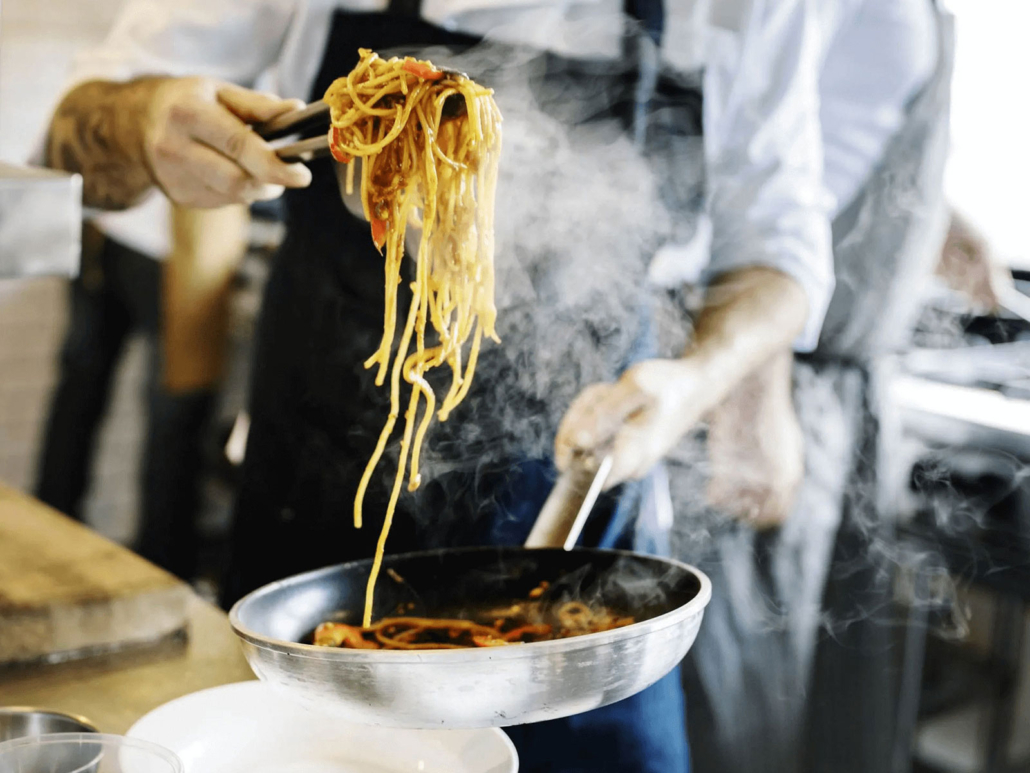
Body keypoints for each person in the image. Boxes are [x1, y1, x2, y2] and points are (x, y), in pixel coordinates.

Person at [39, 1, 949, 771]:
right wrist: (146, 117)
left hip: (582, 535)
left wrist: (692, 380)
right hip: (322, 504)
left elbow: (778, 247)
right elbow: (75, 129)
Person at [35, 195, 247, 581]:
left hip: (102, 225)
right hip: (175, 243)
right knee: (175, 418)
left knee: (79, 393)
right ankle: (162, 576)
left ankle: (43, 548)